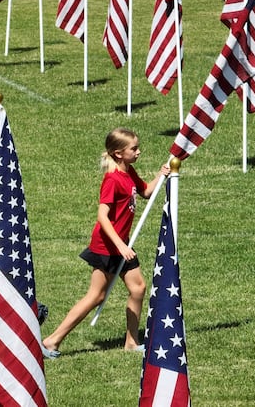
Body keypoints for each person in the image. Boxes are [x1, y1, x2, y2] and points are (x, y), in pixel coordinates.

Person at [41, 128, 170, 357]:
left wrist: (162, 174)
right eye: (134, 148)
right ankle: (51, 340)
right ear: (119, 153)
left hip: (123, 245)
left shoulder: (129, 172)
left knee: (138, 288)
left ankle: (131, 341)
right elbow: (102, 215)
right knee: (96, 296)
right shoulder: (112, 179)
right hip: (107, 247)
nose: (138, 152)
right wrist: (120, 246)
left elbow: (147, 192)